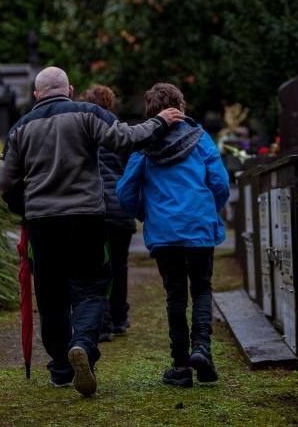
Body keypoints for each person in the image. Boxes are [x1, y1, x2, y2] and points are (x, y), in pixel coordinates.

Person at [0, 68, 184, 397]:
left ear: (37, 94)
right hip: (86, 218)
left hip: (42, 221)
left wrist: (22, 207)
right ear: (69, 90)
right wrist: (159, 121)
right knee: (92, 287)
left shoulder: (20, 128)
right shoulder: (87, 113)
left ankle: (60, 368)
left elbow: (5, 180)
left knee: (51, 295)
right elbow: (125, 138)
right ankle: (82, 343)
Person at [116, 83, 230, 388]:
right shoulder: (200, 138)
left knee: (175, 295)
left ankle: (180, 366)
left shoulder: (144, 147)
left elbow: (125, 191)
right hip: (199, 226)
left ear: (151, 112)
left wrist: (146, 214)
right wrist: (209, 210)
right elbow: (220, 183)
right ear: (181, 106)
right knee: (202, 288)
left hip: (164, 231)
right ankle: (201, 349)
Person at [78, 85, 136, 342]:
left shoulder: (82, 133)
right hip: (120, 209)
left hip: (93, 208)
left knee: (95, 266)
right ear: (111, 105)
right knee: (119, 265)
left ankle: (102, 323)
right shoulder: (120, 133)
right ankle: (119, 317)